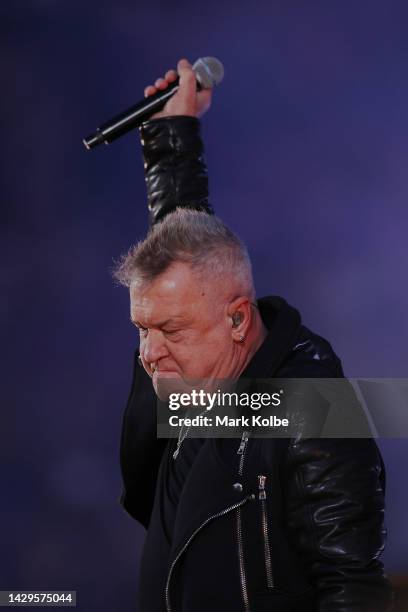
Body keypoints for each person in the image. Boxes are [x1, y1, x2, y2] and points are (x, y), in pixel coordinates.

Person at [116, 59, 393, 612]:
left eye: (169, 331)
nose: (149, 355)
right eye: (141, 329)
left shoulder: (309, 404)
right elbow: (188, 254)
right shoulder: (196, 366)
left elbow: (351, 589)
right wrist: (174, 137)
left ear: (238, 320)